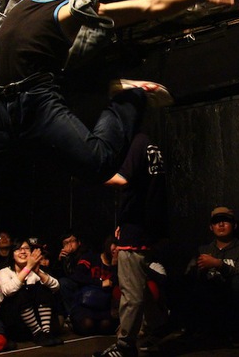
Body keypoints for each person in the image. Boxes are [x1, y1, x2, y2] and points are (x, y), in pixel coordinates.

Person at [0, 0, 239, 204]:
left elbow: (147, 6)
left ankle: (127, 98)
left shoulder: (71, 12)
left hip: (35, 102)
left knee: (99, 164)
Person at [94, 133, 169, 357]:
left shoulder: (136, 143)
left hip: (135, 233)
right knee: (140, 286)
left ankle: (125, 346)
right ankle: (157, 326)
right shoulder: (150, 144)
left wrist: (91, 175)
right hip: (147, 230)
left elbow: (122, 179)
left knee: (131, 293)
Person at [182, 206, 239, 346]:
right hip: (210, 298)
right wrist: (200, 269)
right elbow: (188, 276)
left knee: (238, 283)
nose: (221, 224)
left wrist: (219, 264)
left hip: (233, 299)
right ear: (211, 227)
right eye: (216, 221)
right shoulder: (203, 250)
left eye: (225, 221)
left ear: (234, 225)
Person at [0, 239, 63, 346]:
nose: (23, 251)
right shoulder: (4, 272)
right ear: (12, 254)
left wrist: (38, 272)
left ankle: (46, 332)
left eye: (26, 248)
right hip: (15, 319)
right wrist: (28, 267)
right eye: (18, 249)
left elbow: (56, 286)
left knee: (44, 288)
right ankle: (37, 333)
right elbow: (8, 291)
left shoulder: (36, 270)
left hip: (36, 317)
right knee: (20, 292)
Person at [70, 235, 119, 337]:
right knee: (87, 325)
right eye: (114, 246)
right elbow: (77, 276)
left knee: (106, 326)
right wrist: (100, 283)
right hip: (86, 303)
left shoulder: (118, 265)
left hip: (104, 305)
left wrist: (114, 266)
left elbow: (115, 284)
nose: (116, 250)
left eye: (119, 248)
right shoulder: (91, 258)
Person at [54, 230, 86, 320]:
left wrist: (70, 258)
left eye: (72, 241)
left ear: (79, 242)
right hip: (69, 286)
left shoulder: (84, 254)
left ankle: (73, 316)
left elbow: (79, 275)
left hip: (83, 284)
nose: (69, 245)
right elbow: (56, 276)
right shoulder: (64, 256)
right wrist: (60, 261)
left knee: (64, 282)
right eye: (66, 243)